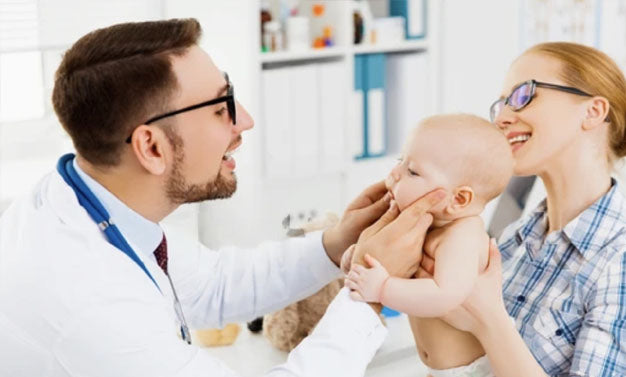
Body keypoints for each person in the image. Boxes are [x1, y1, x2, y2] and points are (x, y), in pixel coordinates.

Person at [0, 19, 445, 377]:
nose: (245, 121)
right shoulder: (87, 303)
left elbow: (215, 284)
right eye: (221, 108)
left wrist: (336, 243)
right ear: (151, 147)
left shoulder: (85, 199)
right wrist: (367, 293)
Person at [419, 42, 626, 376]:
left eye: (523, 95)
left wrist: (491, 320)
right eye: (500, 104)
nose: (501, 118)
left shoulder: (617, 262)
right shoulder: (516, 239)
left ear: (593, 111)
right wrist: (424, 230)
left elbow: (487, 329)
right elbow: (446, 357)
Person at [344, 114, 514, 377]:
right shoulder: (429, 224)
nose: (394, 174)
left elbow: (445, 295)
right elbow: (394, 261)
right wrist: (359, 257)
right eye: (401, 162)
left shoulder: (463, 236)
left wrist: (382, 288)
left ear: (458, 199)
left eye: (412, 171)